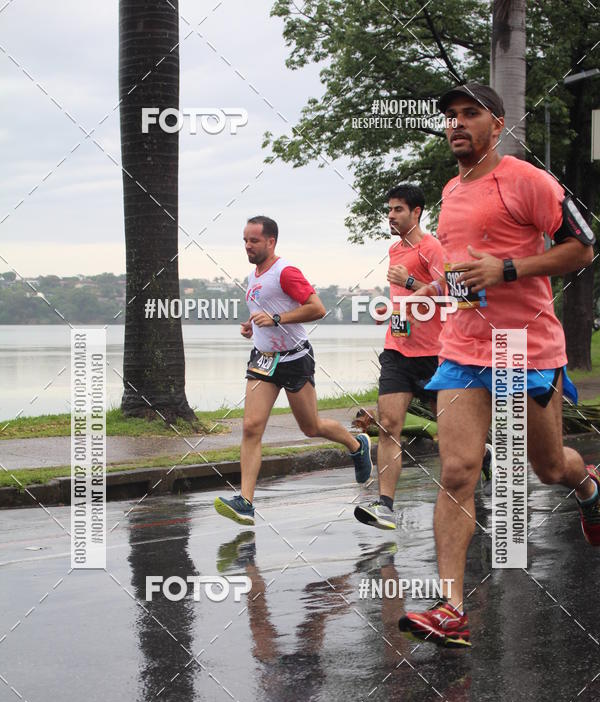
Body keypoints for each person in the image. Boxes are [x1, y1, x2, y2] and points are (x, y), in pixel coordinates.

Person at [398, 82, 598, 649]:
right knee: (458, 470)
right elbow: (461, 270)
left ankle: (587, 484)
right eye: (450, 116)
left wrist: (508, 270)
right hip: (463, 350)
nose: (457, 123)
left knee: (549, 465)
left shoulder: (528, 180)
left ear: (498, 124)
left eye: (470, 114)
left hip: (525, 347)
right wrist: (431, 288)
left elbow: (583, 247)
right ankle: (451, 607)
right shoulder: (450, 191)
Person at [214, 216, 373, 526]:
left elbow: (317, 308)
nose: (248, 245)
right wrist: (253, 325)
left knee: (311, 427)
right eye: (245, 240)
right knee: (250, 427)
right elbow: (264, 311)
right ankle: (245, 501)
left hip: (294, 358)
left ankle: (357, 445)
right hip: (263, 359)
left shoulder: (286, 272)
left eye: (254, 241)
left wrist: (276, 318)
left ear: (271, 242)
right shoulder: (253, 276)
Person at [354, 184, 445, 530]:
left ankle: (482, 455)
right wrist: (388, 309)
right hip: (397, 351)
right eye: (389, 210)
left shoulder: (432, 247)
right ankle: (386, 507)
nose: (390, 216)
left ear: (416, 211)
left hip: (434, 355)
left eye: (398, 210)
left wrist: (408, 283)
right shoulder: (394, 249)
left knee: (449, 434)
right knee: (389, 427)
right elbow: (404, 301)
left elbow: (448, 291)